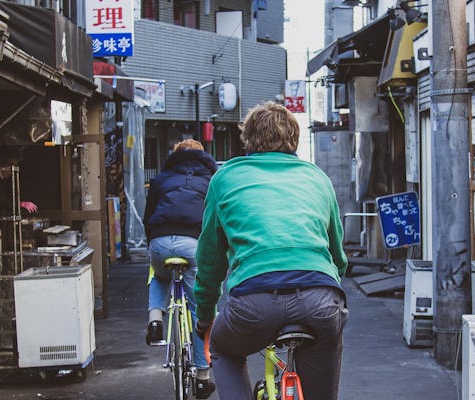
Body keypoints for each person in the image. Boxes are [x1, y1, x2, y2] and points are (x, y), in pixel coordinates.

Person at [194, 102, 349, 400]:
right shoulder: (317, 177)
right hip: (320, 297)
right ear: (294, 138)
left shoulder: (224, 178)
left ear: (247, 138)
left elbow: (210, 259)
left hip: (253, 302)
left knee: (223, 349)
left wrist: (204, 317)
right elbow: (337, 256)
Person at [142, 138, 218, 398]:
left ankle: (155, 319)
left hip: (160, 241)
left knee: (159, 274)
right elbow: (214, 219)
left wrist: (152, 242)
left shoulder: (162, 178)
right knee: (200, 309)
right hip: (193, 244)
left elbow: (148, 215)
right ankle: (202, 376)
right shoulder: (211, 181)